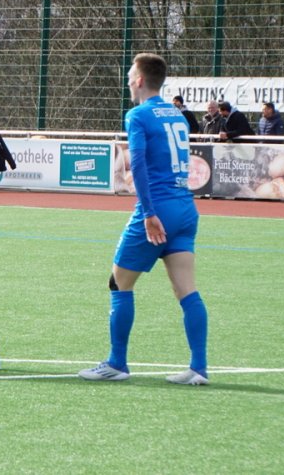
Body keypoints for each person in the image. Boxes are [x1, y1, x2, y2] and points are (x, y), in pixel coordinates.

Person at [78, 52, 208, 386]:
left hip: (159, 207)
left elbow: (137, 163)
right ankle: (198, 367)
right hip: (185, 207)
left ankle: (116, 363)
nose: (127, 82)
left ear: (139, 80)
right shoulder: (177, 115)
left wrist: (149, 213)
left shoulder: (137, 115)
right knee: (187, 290)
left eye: (129, 76)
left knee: (118, 283)